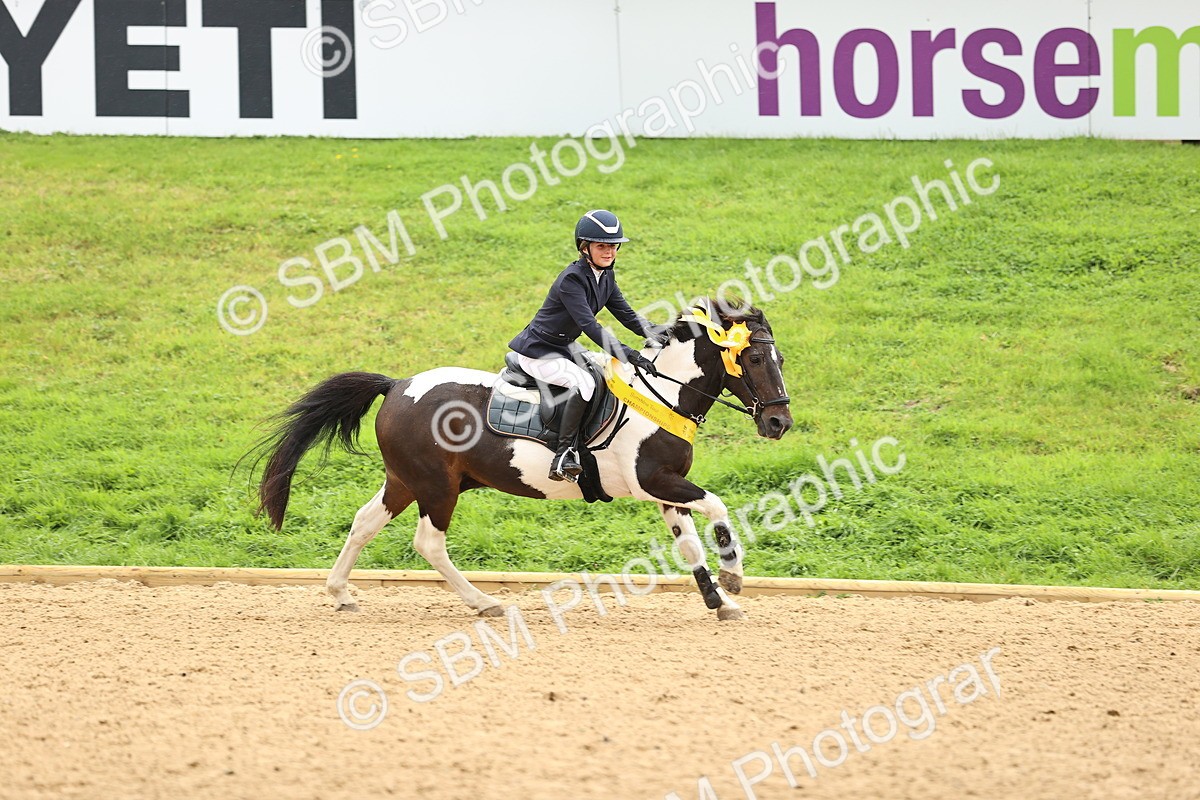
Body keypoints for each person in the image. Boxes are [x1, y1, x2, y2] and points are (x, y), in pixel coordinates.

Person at [507, 209, 668, 482]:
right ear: (585, 248)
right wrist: (628, 354)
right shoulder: (572, 279)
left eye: (613, 246)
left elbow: (626, 314)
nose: (609, 252)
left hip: (564, 346)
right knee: (584, 383)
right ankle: (564, 453)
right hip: (537, 350)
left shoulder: (605, 276)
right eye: (602, 246)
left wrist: (661, 332)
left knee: (606, 372)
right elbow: (590, 325)